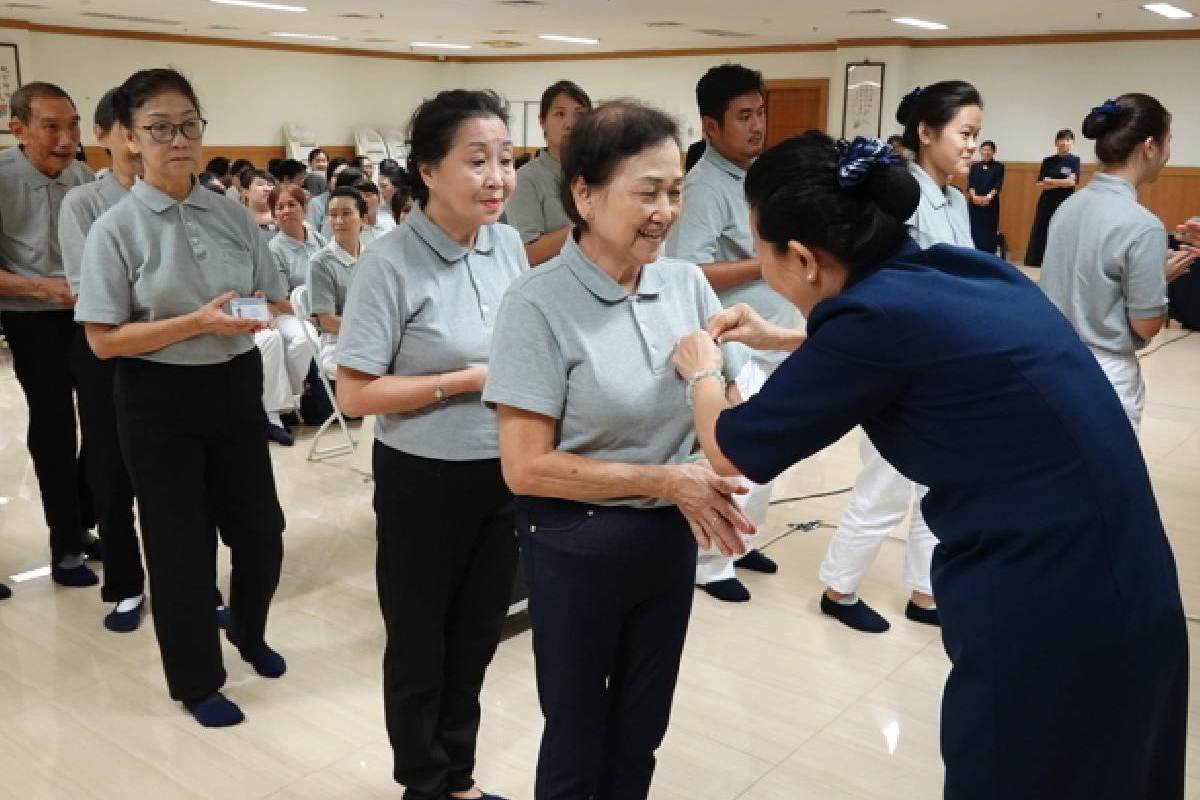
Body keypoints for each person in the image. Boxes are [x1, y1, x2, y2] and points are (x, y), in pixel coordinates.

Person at [673, 129, 1187, 800]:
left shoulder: (870, 325)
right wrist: (784, 335)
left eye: (762, 252)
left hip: (1052, 604)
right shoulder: (958, 269)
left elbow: (732, 446)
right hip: (1127, 581)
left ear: (801, 258)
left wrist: (701, 373)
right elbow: (915, 344)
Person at [485, 100, 754, 800]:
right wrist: (669, 480)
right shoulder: (536, 304)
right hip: (575, 541)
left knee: (642, 728)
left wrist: (724, 400)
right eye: (647, 193)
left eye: (675, 192)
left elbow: (715, 410)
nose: (666, 211)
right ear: (585, 193)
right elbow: (525, 466)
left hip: (668, 534)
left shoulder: (686, 283)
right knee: (577, 731)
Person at [76, 67, 288, 728]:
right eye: (159, 128)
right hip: (156, 396)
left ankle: (247, 629)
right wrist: (194, 323)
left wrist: (250, 317)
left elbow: (271, 294)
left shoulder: (230, 213)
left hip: (233, 382)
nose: (178, 140)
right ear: (133, 140)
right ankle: (197, 680)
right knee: (179, 547)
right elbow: (104, 340)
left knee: (261, 533)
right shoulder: (116, 229)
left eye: (189, 125)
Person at [335, 89, 524, 800]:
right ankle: (423, 781)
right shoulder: (389, 264)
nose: (497, 177)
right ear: (429, 171)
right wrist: (463, 380)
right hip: (423, 475)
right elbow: (355, 394)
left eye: (505, 159)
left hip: (500, 467)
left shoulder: (506, 244)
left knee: (478, 634)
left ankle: (460, 779)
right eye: (477, 161)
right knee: (421, 642)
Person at [818, 81, 980, 634]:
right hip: (902, 364)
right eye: (964, 133)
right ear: (926, 132)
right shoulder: (897, 197)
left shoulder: (956, 198)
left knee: (942, 486)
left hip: (950, 364)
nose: (972, 146)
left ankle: (926, 592)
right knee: (885, 485)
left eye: (977, 135)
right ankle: (839, 589)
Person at [666, 63, 789, 602]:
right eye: (743, 116)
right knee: (738, 456)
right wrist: (764, 262)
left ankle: (741, 542)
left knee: (772, 456)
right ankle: (710, 562)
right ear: (711, 127)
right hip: (736, 344)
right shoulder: (705, 186)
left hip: (774, 339)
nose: (756, 125)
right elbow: (687, 270)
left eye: (760, 112)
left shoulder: (759, 176)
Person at [1042, 94, 1200, 429]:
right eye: (1168, 141)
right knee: (1107, 477)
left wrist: (1153, 278)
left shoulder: (1067, 208)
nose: (1169, 153)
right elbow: (1146, 324)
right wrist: (1155, 284)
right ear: (1149, 146)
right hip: (1106, 376)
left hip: (1053, 364)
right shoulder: (1143, 226)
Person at [0, 81, 100, 597]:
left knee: (105, 421)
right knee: (56, 424)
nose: (67, 139)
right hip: (31, 318)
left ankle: (84, 518)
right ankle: (65, 543)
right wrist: (44, 287)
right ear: (18, 129)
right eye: (52, 127)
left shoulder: (84, 179)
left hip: (88, 317)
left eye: (74, 125)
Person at [57, 87, 148, 628]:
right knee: (110, 467)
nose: (139, 144)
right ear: (105, 136)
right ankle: (125, 582)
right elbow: (81, 286)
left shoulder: (187, 197)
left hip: (171, 348)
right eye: (129, 131)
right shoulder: (85, 202)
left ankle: (190, 582)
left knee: (175, 475)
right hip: (105, 349)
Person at [505, 80, 592, 265]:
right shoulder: (526, 178)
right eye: (560, 114)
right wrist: (586, 226)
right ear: (542, 122)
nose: (570, 124)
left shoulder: (601, 173)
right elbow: (528, 254)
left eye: (580, 115)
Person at [307, 186, 364, 378]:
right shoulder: (320, 263)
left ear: (362, 218)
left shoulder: (374, 257)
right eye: (333, 214)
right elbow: (327, 321)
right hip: (339, 342)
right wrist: (369, 327)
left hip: (376, 337)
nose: (339, 221)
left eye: (346, 213)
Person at [1024, 128, 1081, 266]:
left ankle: (1060, 262)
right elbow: (1040, 183)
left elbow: (1072, 182)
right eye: (1061, 140)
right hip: (1046, 201)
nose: (1064, 143)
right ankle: (1037, 260)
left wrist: (1052, 181)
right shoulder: (1048, 161)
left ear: (1072, 142)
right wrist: (1061, 182)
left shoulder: (1074, 160)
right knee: (1042, 229)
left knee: (1062, 230)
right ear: (1056, 142)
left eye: (1067, 140)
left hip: (1065, 201)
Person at [268, 182, 327, 290]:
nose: (287, 211)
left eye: (292, 205)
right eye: (280, 208)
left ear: (304, 209)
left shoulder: (320, 240)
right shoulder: (273, 251)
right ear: (273, 215)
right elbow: (281, 297)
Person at [967, 139, 1005, 254]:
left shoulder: (999, 167)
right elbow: (970, 184)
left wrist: (987, 198)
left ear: (994, 152)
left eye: (989, 150)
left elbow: (997, 185)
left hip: (991, 204)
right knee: (974, 230)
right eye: (984, 149)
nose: (986, 152)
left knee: (989, 231)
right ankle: (974, 255)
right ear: (980, 151)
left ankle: (988, 257)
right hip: (974, 204)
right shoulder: (974, 167)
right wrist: (974, 197)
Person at [306, 156, 349, 231]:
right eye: (337, 176)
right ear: (328, 180)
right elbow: (312, 235)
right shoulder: (316, 203)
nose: (341, 179)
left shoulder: (357, 200)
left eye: (345, 175)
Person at [355, 180, 393, 248]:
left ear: (379, 198)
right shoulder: (352, 231)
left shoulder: (390, 222)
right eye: (359, 197)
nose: (364, 200)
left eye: (368, 195)